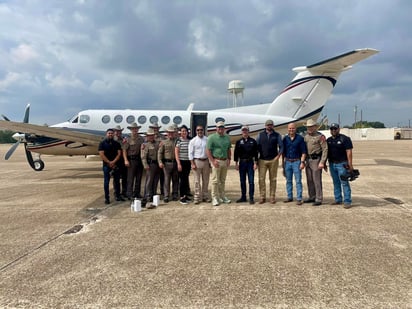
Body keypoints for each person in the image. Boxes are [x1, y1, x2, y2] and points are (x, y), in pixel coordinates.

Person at [327, 123, 354, 209]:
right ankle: (338, 199)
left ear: (339, 129)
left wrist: (350, 164)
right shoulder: (328, 140)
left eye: (335, 129)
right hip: (332, 164)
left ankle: (347, 201)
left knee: (344, 183)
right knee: (336, 182)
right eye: (332, 129)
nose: (333, 130)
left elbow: (349, 152)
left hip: (342, 164)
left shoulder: (345, 139)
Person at [256, 119, 284, 204]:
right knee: (261, 179)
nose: (269, 126)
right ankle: (262, 196)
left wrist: (278, 156)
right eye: (268, 125)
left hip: (273, 160)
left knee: (273, 179)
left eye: (271, 125)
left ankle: (272, 196)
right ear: (265, 126)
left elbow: (281, 146)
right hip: (262, 160)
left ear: (273, 126)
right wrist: (256, 159)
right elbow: (256, 147)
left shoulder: (277, 135)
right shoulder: (260, 135)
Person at [206, 121, 232, 206]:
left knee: (222, 180)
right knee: (215, 181)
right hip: (216, 161)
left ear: (224, 128)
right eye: (219, 127)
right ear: (216, 128)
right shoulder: (211, 137)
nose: (220, 129)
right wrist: (212, 161)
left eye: (222, 127)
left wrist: (229, 159)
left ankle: (222, 196)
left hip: (224, 160)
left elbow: (228, 149)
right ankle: (214, 197)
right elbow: (208, 150)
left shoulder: (227, 137)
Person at [303, 119, 328, 206]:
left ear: (315, 127)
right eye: (308, 127)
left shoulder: (320, 136)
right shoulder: (306, 137)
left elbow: (325, 149)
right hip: (308, 160)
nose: (309, 128)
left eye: (311, 126)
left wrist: (322, 162)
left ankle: (319, 198)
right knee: (309, 180)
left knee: (316, 180)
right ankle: (312, 196)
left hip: (316, 160)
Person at [282, 123, 307, 205]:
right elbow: (283, 153)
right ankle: (289, 197)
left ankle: (299, 198)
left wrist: (302, 162)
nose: (291, 130)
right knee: (288, 181)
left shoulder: (300, 139)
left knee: (298, 181)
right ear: (287, 129)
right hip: (287, 162)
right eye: (290, 128)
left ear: (295, 129)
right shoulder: (285, 139)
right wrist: (283, 164)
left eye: (293, 128)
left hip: (297, 162)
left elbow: (304, 152)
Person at [98, 128, 125, 204]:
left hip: (116, 164)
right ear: (106, 134)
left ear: (113, 134)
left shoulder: (116, 143)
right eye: (109, 133)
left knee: (117, 181)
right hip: (106, 165)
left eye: (111, 133)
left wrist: (113, 162)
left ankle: (118, 196)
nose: (110, 134)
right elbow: (101, 154)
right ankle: (107, 198)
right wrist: (109, 162)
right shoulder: (102, 143)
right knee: (106, 182)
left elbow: (119, 154)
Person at [234, 125, 258, 204]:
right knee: (242, 181)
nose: (245, 132)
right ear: (241, 132)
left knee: (251, 181)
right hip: (242, 163)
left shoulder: (253, 141)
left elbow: (256, 153)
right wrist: (236, 163)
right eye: (243, 131)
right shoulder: (238, 142)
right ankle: (243, 197)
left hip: (250, 163)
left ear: (248, 131)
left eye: (246, 130)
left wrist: (255, 163)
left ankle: (251, 197)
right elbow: (236, 153)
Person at [188, 125, 211, 204]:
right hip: (197, 161)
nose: (199, 131)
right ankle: (197, 197)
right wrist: (192, 164)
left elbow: (210, 151)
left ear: (203, 130)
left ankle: (205, 196)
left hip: (206, 161)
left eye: (201, 130)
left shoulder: (207, 140)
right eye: (198, 130)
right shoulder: (193, 141)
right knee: (197, 181)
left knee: (206, 180)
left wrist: (210, 163)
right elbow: (190, 153)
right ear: (196, 131)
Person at [123, 122, 144, 200]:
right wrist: (125, 160)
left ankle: (137, 193)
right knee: (130, 178)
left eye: (136, 129)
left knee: (139, 177)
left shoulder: (141, 138)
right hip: (131, 160)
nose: (135, 130)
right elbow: (124, 150)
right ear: (131, 130)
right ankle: (129, 193)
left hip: (139, 159)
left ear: (138, 129)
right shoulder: (127, 139)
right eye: (133, 129)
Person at [158, 125, 179, 203]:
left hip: (175, 163)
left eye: (172, 133)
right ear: (167, 133)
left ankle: (175, 194)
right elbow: (160, 153)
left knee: (175, 180)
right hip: (166, 163)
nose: (171, 134)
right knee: (166, 180)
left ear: (174, 133)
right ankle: (166, 196)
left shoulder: (177, 141)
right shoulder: (163, 142)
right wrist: (160, 162)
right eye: (169, 133)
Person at [141, 128, 160, 209]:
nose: (151, 137)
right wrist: (145, 165)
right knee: (149, 181)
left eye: (152, 135)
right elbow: (143, 157)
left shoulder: (158, 143)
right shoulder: (145, 145)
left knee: (155, 180)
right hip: (150, 164)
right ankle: (147, 196)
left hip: (157, 164)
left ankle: (153, 194)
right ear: (147, 136)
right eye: (149, 136)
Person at [175, 125, 192, 204]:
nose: (184, 132)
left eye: (185, 131)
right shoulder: (178, 141)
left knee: (186, 179)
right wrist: (178, 164)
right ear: (180, 132)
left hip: (188, 162)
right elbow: (176, 153)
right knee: (182, 180)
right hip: (181, 162)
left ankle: (185, 195)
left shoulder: (190, 140)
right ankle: (182, 196)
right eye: (182, 131)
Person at [149, 122, 165, 197]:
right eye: (154, 128)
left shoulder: (162, 137)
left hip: (161, 160)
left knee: (162, 177)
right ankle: (151, 192)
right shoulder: (149, 136)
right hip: (152, 161)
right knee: (151, 178)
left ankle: (162, 191)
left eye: (156, 128)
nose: (155, 129)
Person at [113, 125, 128, 198]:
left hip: (122, 160)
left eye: (120, 131)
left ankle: (124, 192)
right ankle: (117, 193)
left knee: (125, 178)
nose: (118, 132)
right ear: (115, 132)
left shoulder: (123, 140)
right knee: (116, 179)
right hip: (115, 161)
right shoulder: (112, 140)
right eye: (117, 131)